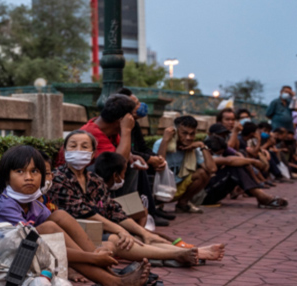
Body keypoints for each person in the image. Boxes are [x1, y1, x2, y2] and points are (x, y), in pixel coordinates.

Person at [0, 145, 150, 286]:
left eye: (34, 171)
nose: (28, 177)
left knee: (60, 216)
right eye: (20, 171)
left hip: (21, 255)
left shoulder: (33, 204)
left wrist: (91, 255)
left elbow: (54, 232)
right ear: (7, 177)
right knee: (48, 228)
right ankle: (113, 282)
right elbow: (41, 245)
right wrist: (90, 258)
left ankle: (112, 277)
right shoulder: (6, 206)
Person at [49, 131, 201, 266]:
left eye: (84, 147)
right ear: (65, 150)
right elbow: (84, 212)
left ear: (93, 152)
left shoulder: (94, 180)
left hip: (96, 230)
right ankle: (177, 254)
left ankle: (188, 252)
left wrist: (143, 233)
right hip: (74, 235)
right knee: (117, 239)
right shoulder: (58, 178)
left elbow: (113, 210)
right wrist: (121, 230)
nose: (78, 151)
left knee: (139, 236)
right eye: (73, 146)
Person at [93, 152, 225, 262]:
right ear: (116, 175)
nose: (124, 178)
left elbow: (116, 214)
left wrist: (143, 232)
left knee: (144, 235)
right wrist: (122, 231)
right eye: (124, 173)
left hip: (106, 230)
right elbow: (93, 216)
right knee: (124, 239)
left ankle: (191, 251)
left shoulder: (102, 189)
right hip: (95, 236)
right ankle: (180, 254)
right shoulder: (94, 188)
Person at [115, 88, 174, 225]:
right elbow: (126, 150)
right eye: (135, 104)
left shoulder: (134, 124)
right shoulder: (120, 124)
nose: (140, 106)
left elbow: (141, 147)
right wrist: (148, 159)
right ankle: (147, 212)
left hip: (131, 157)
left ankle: (153, 207)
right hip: (122, 162)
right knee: (138, 167)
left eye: (138, 102)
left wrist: (154, 158)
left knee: (154, 165)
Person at [202, 136, 288, 209]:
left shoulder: (218, 147)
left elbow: (236, 155)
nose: (220, 155)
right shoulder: (202, 154)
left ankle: (260, 195)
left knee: (239, 164)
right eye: (218, 154)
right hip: (204, 196)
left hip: (212, 191)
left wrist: (247, 161)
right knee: (232, 169)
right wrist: (254, 161)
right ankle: (261, 197)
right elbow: (229, 161)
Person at [153, 116, 217, 214]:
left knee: (203, 173)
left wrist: (202, 146)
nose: (188, 138)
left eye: (192, 134)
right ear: (175, 131)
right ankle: (158, 204)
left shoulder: (193, 148)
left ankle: (183, 203)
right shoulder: (161, 143)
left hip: (178, 189)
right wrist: (165, 141)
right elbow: (158, 165)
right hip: (161, 190)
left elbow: (211, 169)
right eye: (184, 133)